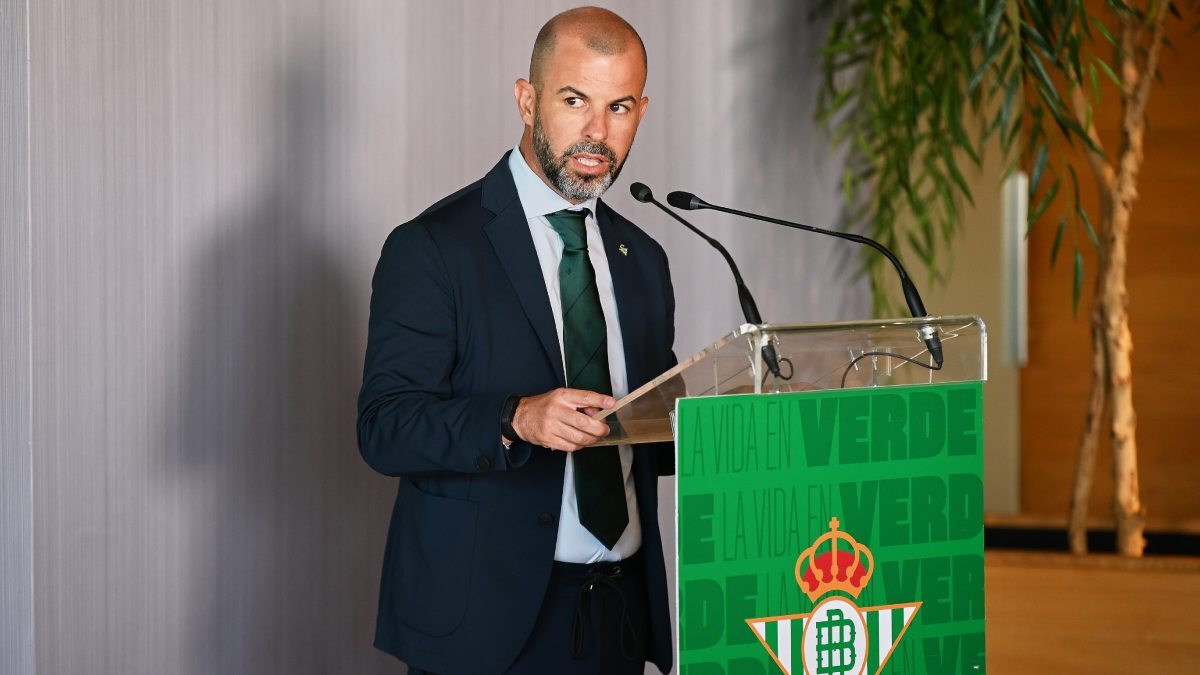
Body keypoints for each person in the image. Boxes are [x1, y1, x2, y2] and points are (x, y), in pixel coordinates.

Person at [356, 7, 676, 674]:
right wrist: (514, 418)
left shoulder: (642, 256)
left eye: (619, 106)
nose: (597, 130)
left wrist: (733, 412)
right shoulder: (434, 247)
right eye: (573, 99)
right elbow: (385, 426)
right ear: (527, 100)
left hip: (617, 616)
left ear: (642, 110)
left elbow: (651, 432)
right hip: (485, 623)